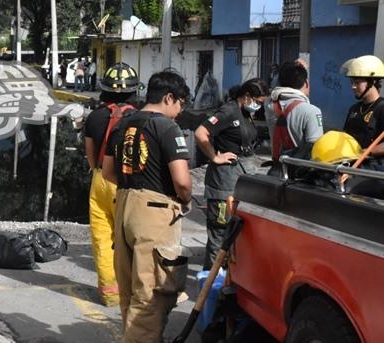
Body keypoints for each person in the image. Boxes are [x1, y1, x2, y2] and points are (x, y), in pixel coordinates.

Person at [102, 70, 192, 343]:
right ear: (169, 98)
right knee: (152, 292)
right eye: (180, 103)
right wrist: (185, 201)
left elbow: (107, 172)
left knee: (130, 291)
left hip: (125, 208)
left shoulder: (122, 124)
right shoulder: (166, 127)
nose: (180, 111)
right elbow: (182, 181)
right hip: (154, 212)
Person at [195, 78, 269, 269]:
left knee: (234, 234)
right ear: (246, 96)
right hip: (223, 180)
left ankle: (226, 280)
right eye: (258, 102)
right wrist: (214, 156)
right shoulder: (228, 111)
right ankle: (212, 283)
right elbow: (200, 133)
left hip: (239, 176)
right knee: (220, 235)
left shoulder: (244, 113)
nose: (259, 107)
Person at [83, 63, 140, 306]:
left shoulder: (94, 116)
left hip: (99, 180)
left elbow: (90, 154)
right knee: (130, 239)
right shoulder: (137, 117)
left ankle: (109, 294)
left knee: (102, 238)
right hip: (126, 181)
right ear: (133, 91)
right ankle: (133, 291)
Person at [264, 61, 323, 170]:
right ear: (306, 83)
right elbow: (315, 149)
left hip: (277, 168)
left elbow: (278, 86)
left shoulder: (269, 104)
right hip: (300, 172)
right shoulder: (311, 111)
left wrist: (291, 69)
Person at [341, 55, 384, 163]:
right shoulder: (354, 109)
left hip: (373, 170)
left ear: (372, 82)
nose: (353, 87)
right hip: (351, 164)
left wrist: (367, 152)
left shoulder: (382, 108)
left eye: (357, 82)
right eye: (352, 82)